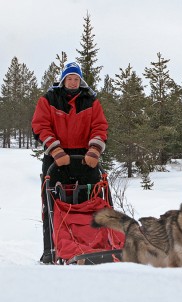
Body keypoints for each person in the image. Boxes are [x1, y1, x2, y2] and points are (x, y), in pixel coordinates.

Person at [31, 62, 108, 264]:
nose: (73, 82)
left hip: (84, 159)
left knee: (87, 202)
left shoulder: (91, 100)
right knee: (52, 203)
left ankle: (90, 247)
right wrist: (56, 150)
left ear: (80, 81)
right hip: (56, 159)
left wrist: (94, 151)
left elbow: (100, 127)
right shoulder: (48, 99)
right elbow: (40, 126)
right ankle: (51, 249)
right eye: (69, 78)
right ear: (63, 79)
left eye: (76, 79)